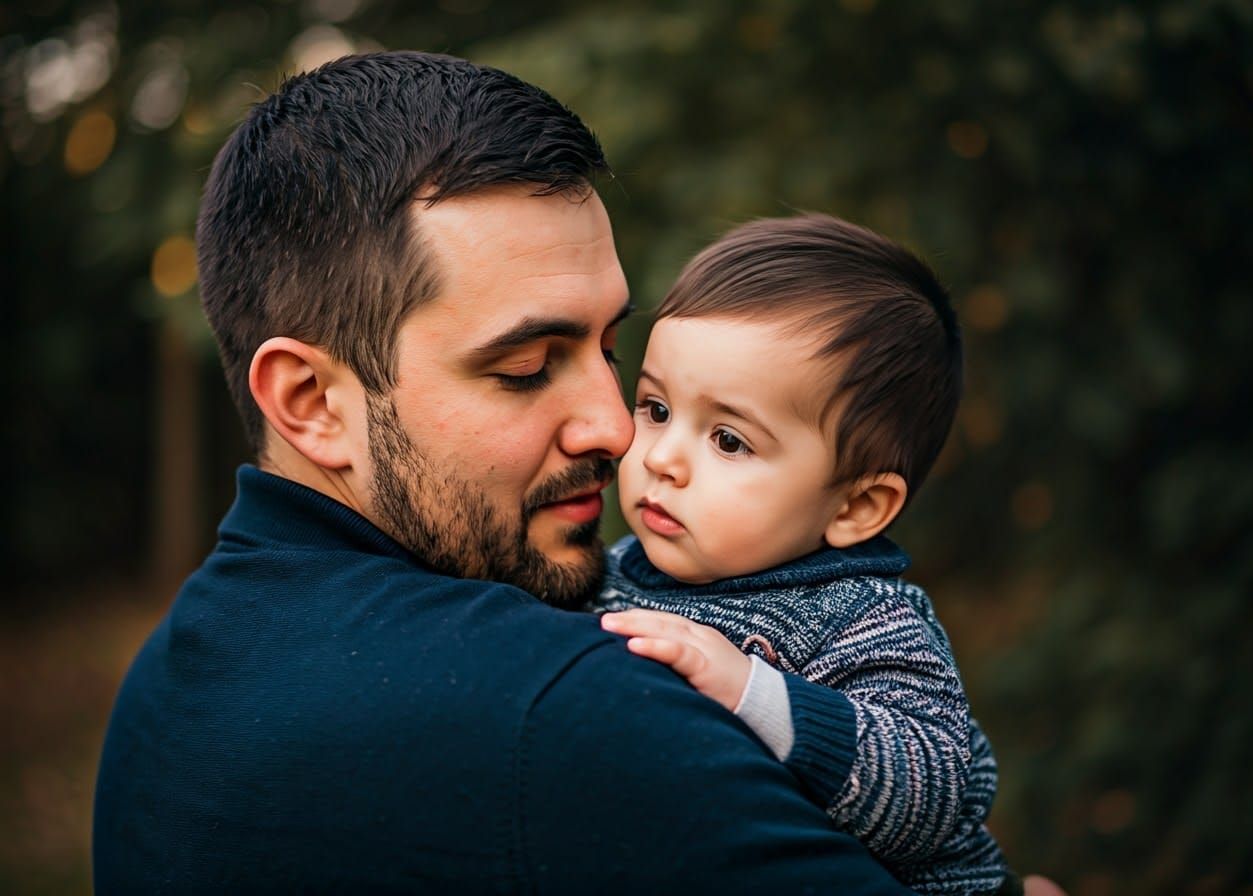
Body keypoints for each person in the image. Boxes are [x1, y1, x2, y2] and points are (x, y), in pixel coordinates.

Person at [91, 52, 915, 893]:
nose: (613, 428)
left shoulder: (159, 689)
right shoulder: (575, 711)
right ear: (311, 401)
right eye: (524, 367)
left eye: (610, 349)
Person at [595, 214, 1016, 894]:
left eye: (729, 441)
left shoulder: (862, 619)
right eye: (656, 408)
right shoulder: (610, 573)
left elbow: (933, 792)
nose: (662, 458)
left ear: (855, 507)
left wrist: (750, 691)